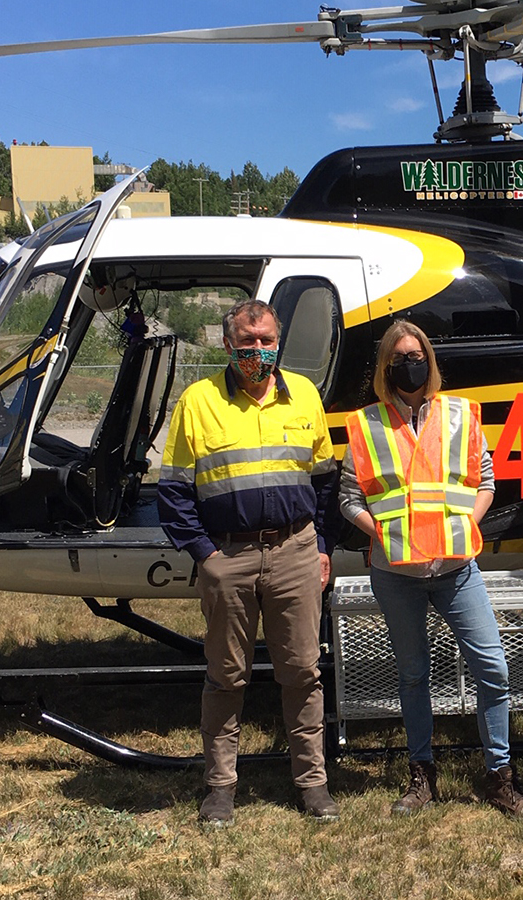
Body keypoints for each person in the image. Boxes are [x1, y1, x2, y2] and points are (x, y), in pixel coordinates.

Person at [339, 320, 523, 819]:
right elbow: (349, 499)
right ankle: (422, 774)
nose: (410, 364)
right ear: (386, 368)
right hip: (396, 574)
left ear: (430, 361)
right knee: (413, 675)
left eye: (417, 356)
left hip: (457, 570)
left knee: (492, 668)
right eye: (399, 358)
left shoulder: (461, 414)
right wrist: (385, 535)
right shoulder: (366, 424)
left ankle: (500, 776)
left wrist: (464, 530)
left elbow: (487, 482)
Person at [159, 299, 339, 828]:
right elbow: (172, 490)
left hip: (295, 553)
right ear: (227, 344)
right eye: (246, 340)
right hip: (228, 557)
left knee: (302, 673)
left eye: (265, 340)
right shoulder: (198, 401)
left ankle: (313, 784)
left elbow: (325, 480)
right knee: (225, 678)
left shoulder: (304, 395)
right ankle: (220, 788)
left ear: (278, 340)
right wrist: (205, 556)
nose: (257, 350)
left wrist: (323, 546)